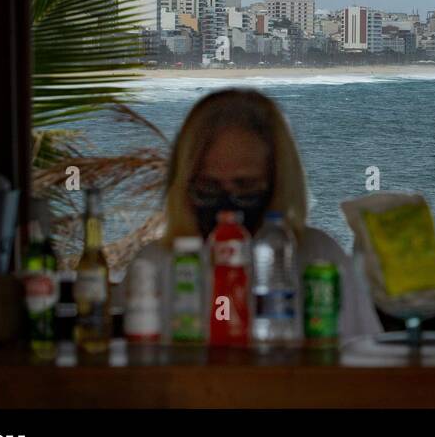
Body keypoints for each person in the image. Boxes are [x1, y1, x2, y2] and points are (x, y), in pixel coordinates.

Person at [162, 88, 381, 340]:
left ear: (278, 183)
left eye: (245, 186)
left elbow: (365, 360)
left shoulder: (319, 256)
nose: (227, 206)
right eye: (208, 188)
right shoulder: (159, 264)